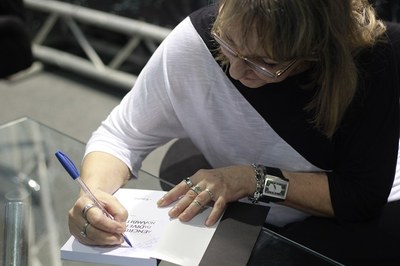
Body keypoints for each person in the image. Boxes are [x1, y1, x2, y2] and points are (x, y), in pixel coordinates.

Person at [68, 0, 400, 264]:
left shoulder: (369, 62)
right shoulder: (197, 39)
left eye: (265, 63)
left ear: (316, 51)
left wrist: (253, 180)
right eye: (228, 43)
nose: (238, 71)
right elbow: (122, 134)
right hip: (246, 210)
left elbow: (360, 197)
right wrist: (93, 195)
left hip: (358, 214)